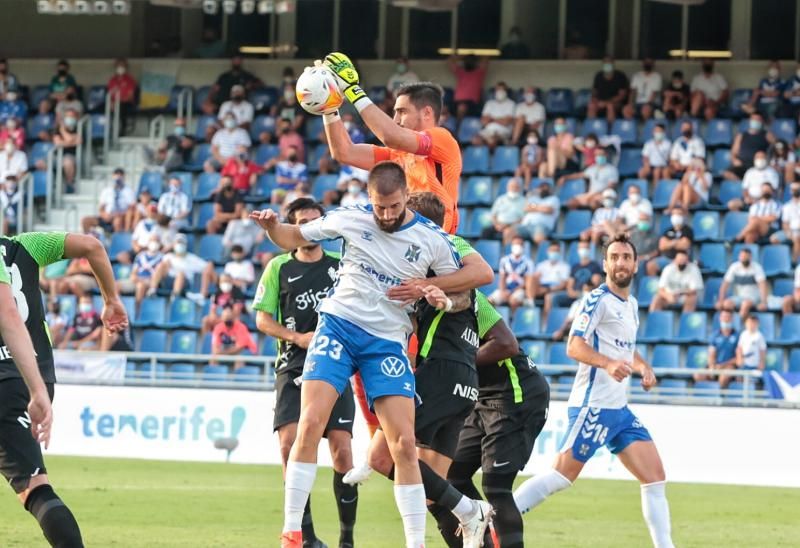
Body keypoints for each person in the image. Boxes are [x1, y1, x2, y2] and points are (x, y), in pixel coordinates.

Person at [252, 162, 492, 548]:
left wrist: (431, 288)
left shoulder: (432, 239)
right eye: (380, 207)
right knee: (310, 421)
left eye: (394, 207)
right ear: (370, 198)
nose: (386, 215)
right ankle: (292, 533)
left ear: (404, 199)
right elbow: (292, 234)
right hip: (338, 327)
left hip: (386, 342)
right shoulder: (350, 218)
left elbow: (471, 282)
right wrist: (271, 227)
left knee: (402, 445)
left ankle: (416, 544)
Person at [348, 191, 527, 548]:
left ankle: (469, 509)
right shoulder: (454, 275)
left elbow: (469, 294)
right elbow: (470, 300)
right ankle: (469, 521)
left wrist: (437, 296)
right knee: (432, 492)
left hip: (442, 373)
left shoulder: (440, 253)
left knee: (383, 457)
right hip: (464, 383)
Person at [513, 233, 674, 548]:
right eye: (614, 257)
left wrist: (643, 367)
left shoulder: (632, 305)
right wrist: (607, 363)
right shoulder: (596, 300)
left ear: (636, 264)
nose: (620, 263)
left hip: (619, 411)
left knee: (655, 477)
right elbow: (573, 346)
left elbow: (627, 350)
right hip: (593, 406)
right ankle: (494, 518)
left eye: (626, 257)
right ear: (605, 264)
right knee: (561, 477)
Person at [1, 230, 128, 548]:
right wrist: (111, 300)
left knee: (36, 489)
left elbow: (7, 314)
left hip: (14, 382)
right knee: (34, 488)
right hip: (36, 379)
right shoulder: (27, 245)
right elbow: (93, 245)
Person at [253, 198, 359, 548]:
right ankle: (306, 536)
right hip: (293, 363)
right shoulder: (278, 268)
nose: (310, 228)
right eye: (302, 222)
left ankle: (347, 539)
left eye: (315, 221)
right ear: (292, 227)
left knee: (342, 448)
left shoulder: (341, 265)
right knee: (289, 444)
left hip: (336, 360)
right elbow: (262, 319)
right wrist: (297, 337)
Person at [322, 54, 463, 234]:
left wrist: (352, 89)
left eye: (402, 112)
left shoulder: (442, 138)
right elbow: (344, 152)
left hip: (435, 239)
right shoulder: (397, 154)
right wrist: (329, 108)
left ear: (427, 113)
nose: (395, 119)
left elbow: (391, 136)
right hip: (406, 238)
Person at [693, 308, 739, 388]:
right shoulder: (714, 335)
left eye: (728, 317)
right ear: (720, 318)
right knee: (698, 375)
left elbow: (738, 357)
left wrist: (722, 365)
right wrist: (712, 366)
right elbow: (711, 353)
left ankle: (720, 397)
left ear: (732, 319)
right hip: (716, 365)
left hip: (729, 365)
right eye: (724, 317)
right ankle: (710, 393)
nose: (726, 319)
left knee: (724, 376)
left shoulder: (737, 336)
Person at [718, 248, 768, 319]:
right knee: (726, 304)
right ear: (739, 257)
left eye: (746, 257)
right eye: (742, 257)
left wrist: (763, 302)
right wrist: (720, 300)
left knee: (745, 305)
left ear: (750, 257)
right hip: (740, 296)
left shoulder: (757, 267)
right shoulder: (734, 267)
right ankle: (730, 324)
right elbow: (725, 285)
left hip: (754, 297)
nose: (744, 259)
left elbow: (762, 286)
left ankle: (739, 325)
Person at [81, 168, 136, 234]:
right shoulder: (106, 191)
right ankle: (87, 242)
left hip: (120, 217)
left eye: (121, 175)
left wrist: (117, 214)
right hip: (107, 216)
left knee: (117, 221)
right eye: (116, 174)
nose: (118, 177)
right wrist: (105, 215)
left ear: (124, 177)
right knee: (85, 220)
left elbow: (131, 209)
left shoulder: (129, 191)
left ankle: (117, 242)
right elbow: (101, 209)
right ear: (113, 176)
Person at [118, 234, 164, 311]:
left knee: (141, 286)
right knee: (116, 285)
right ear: (148, 242)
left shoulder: (162, 257)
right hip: (138, 279)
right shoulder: (140, 256)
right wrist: (134, 277)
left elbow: (159, 275)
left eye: (156, 241)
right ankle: (118, 309)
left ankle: (137, 312)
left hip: (151, 282)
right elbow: (134, 272)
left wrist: (142, 280)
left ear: (160, 244)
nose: (154, 243)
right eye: (152, 240)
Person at [489, 236, 534, 312]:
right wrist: (503, 291)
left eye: (519, 244)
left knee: (513, 301)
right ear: (512, 246)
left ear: (523, 247)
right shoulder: (504, 260)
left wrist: (511, 291)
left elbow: (527, 282)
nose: (517, 246)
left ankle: (513, 320)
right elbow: (502, 278)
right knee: (489, 301)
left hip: (519, 289)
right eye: (515, 244)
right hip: (505, 289)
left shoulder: (528, 262)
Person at [723, 114, 771, 181]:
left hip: (757, 164)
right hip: (742, 164)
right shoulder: (741, 135)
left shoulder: (766, 135)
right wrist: (734, 160)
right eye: (753, 119)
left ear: (762, 121)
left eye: (758, 119)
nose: (755, 121)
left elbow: (777, 145)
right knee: (727, 173)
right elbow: (733, 152)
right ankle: (743, 185)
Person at [482, 178, 526, 242]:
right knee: (486, 232)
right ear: (507, 188)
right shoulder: (500, 199)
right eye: (511, 186)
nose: (513, 189)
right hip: (499, 225)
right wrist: (497, 225)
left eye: (516, 187)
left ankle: (505, 251)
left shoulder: (523, 201)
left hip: (513, 226)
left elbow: (523, 218)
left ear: (519, 189)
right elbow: (493, 215)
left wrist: (509, 225)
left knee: (508, 232)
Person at [516, 179, 560, 245]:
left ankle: (543, 254)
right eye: (541, 187)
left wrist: (533, 207)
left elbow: (548, 210)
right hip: (526, 225)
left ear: (550, 190)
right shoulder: (533, 198)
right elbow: (526, 208)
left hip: (542, 225)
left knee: (539, 238)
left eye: (546, 187)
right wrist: (540, 207)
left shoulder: (554, 199)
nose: (544, 189)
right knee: (509, 232)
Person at [587, 57, 629, 123]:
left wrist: (606, 102)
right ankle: (591, 127)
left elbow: (622, 95)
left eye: (609, 63)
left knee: (610, 106)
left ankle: (610, 129)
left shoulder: (620, 76)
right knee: (591, 105)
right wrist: (595, 100)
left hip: (616, 103)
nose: (607, 64)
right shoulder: (599, 75)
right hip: (600, 102)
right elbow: (594, 92)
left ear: (613, 64)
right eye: (605, 63)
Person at [447, 54, 488, 121]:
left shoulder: (479, 72)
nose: (469, 62)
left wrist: (476, 57)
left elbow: (486, 59)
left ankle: (458, 128)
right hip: (457, 102)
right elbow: (450, 61)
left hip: (472, 103)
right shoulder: (461, 72)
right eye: (467, 61)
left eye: (471, 61)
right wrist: (463, 56)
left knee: (462, 107)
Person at [477, 82, 516, 147]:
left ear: (506, 91)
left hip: (503, 131)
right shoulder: (489, 103)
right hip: (488, 130)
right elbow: (484, 122)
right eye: (498, 90)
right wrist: (500, 119)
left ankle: (493, 155)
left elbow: (506, 122)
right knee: (476, 140)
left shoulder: (511, 104)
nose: (500, 92)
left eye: (502, 90)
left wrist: (491, 119)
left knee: (492, 140)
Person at [106, 59, 138, 134]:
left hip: (126, 103)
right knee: (103, 106)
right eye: (118, 65)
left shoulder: (130, 80)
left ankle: (121, 130)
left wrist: (117, 102)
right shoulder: (112, 80)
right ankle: (104, 131)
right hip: (113, 103)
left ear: (126, 67)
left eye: (122, 66)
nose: (120, 67)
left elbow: (130, 96)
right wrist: (111, 103)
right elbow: (109, 93)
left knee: (121, 107)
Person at [773, 181, 800, 262]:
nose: (795, 191)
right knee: (773, 239)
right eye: (793, 189)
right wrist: (788, 232)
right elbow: (785, 223)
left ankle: (794, 262)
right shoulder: (787, 206)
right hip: (790, 230)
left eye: (797, 189)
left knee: (797, 238)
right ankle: (784, 260)